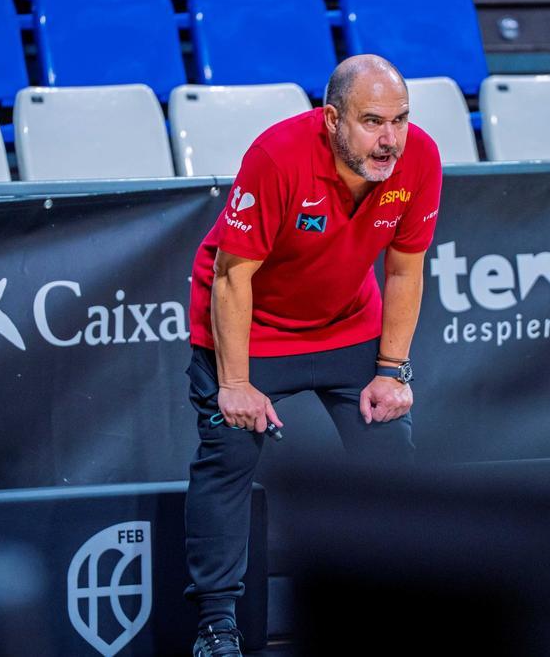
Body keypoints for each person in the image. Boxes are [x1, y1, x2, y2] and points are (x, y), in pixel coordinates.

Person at [184, 54, 443, 657]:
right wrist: (236, 381)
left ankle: (398, 605)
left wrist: (391, 372)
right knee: (227, 457)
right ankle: (216, 626)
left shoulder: (420, 157)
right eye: (373, 121)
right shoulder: (277, 156)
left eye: (400, 120)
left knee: (390, 457)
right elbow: (231, 276)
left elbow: (405, 267)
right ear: (331, 119)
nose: (390, 140)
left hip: (348, 322)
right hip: (250, 326)